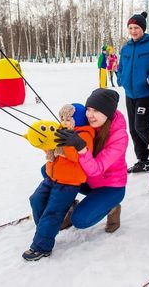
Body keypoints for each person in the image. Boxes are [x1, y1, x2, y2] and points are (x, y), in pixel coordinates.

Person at [23, 103, 95, 261]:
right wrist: (43, 142)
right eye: (62, 118)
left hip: (68, 183)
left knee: (52, 212)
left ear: (77, 120)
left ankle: (42, 246)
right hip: (52, 177)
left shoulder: (84, 135)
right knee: (35, 199)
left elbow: (78, 157)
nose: (64, 122)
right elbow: (51, 149)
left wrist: (65, 143)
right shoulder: (61, 131)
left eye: (68, 119)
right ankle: (46, 230)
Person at [54, 88, 129, 234]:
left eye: (96, 111)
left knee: (80, 221)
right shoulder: (89, 125)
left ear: (108, 113)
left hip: (111, 186)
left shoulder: (119, 137)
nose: (90, 115)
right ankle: (69, 205)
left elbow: (96, 169)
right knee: (49, 170)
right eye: (88, 109)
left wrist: (80, 147)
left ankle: (112, 206)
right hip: (89, 180)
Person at [117, 12, 149, 173]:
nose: (133, 31)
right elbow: (121, 67)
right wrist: (121, 79)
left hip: (145, 93)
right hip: (130, 93)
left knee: (142, 126)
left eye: (136, 28)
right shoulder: (126, 48)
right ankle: (143, 160)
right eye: (130, 28)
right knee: (133, 128)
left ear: (143, 29)